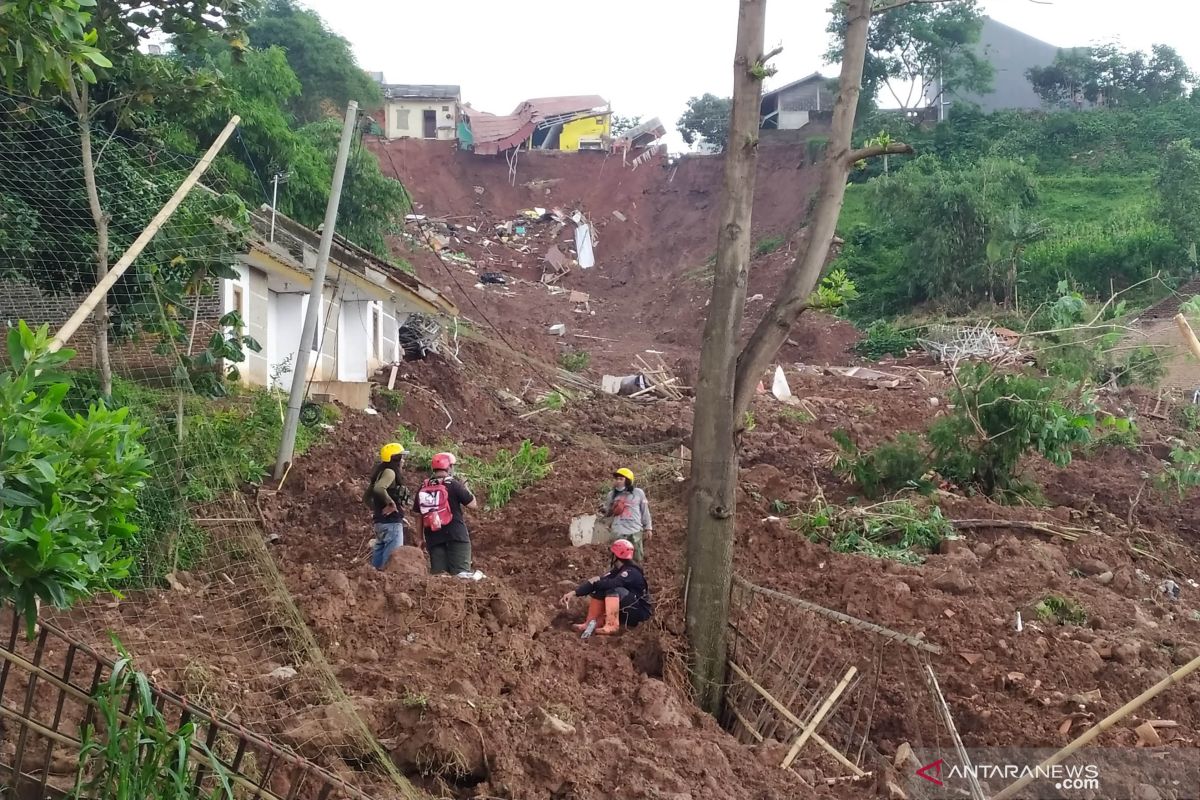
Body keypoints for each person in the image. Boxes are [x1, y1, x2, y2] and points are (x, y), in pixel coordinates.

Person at [560, 539, 653, 635]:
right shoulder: (618, 570)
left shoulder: (631, 572)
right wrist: (574, 592)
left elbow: (612, 584)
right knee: (602, 587)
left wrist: (597, 584)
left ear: (616, 556)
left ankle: (612, 625)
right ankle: (591, 623)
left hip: (639, 613)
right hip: (628, 609)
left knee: (612, 589)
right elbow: (599, 580)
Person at [413, 451, 478, 576]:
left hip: (433, 537)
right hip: (456, 534)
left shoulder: (423, 486)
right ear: (449, 467)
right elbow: (473, 505)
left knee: (439, 576)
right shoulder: (454, 485)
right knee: (461, 574)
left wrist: (420, 537)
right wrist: (466, 487)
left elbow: (418, 515)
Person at [364, 442, 409, 570]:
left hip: (380, 524)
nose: (403, 460)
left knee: (377, 567)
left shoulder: (380, 472)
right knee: (391, 563)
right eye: (401, 457)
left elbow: (366, 498)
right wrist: (392, 504)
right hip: (391, 525)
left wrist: (380, 510)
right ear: (395, 458)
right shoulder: (390, 472)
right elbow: (379, 488)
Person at [599, 468, 653, 563]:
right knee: (618, 561)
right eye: (617, 479)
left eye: (621, 479)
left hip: (635, 531)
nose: (618, 481)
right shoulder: (612, 495)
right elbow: (607, 513)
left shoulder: (638, 493)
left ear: (628, 481)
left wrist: (648, 528)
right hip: (618, 532)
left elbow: (645, 511)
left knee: (636, 560)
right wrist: (606, 509)